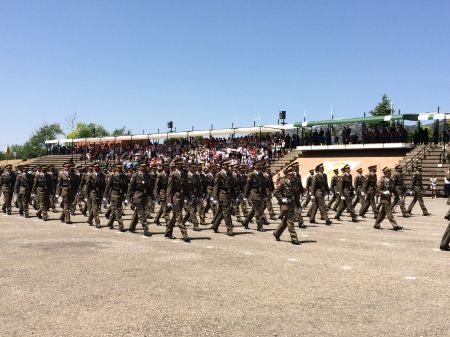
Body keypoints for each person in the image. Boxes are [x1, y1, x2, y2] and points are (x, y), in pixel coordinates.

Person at [273, 167, 300, 245]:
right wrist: (282, 199)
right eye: (290, 175)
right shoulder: (283, 182)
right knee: (290, 220)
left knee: (286, 221)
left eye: (292, 174)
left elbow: (296, 195)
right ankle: (294, 238)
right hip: (285, 204)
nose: (292, 176)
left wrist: (298, 205)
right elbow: (275, 192)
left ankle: (277, 233)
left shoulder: (294, 182)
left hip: (292, 204)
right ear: (287, 175)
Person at [166, 157, 191, 242]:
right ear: (176, 165)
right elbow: (169, 188)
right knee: (179, 216)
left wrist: (189, 197)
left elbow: (186, 186)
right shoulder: (173, 174)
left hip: (182, 196)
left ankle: (168, 232)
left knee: (175, 216)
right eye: (180, 164)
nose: (182, 165)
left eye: (182, 163)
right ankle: (185, 235)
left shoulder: (184, 173)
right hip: (175, 197)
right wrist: (169, 201)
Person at [211, 160, 237, 236]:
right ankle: (229, 229)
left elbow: (232, 186)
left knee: (223, 212)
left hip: (229, 195)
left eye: (228, 164)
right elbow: (216, 186)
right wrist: (214, 197)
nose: (227, 165)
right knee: (226, 212)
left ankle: (215, 226)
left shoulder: (229, 173)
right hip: (222, 195)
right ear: (222, 165)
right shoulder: (219, 174)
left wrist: (235, 196)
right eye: (226, 164)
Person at [127, 162, 152, 236]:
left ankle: (131, 227)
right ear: (139, 168)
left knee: (137, 213)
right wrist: (128, 198)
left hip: (144, 196)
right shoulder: (136, 175)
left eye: (145, 167)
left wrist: (151, 196)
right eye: (142, 167)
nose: (144, 168)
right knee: (142, 213)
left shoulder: (147, 175)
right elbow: (130, 187)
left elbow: (149, 187)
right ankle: (145, 229)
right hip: (137, 196)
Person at [242, 162, 267, 231]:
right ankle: (259, 226)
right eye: (258, 167)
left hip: (260, 194)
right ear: (255, 167)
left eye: (260, 167)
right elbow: (248, 186)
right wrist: (245, 196)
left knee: (254, 210)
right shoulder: (251, 175)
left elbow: (263, 186)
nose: (259, 168)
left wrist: (265, 195)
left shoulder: (261, 175)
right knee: (258, 211)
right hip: (254, 194)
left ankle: (245, 222)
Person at [104, 163, 128, 231]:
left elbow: (126, 186)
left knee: (115, 210)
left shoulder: (124, 176)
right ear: (116, 169)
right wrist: (105, 196)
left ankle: (110, 223)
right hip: (114, 194)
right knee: (118, 210)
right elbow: (108, 186)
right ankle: (121, 225)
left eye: (121, 168)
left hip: (121, 195)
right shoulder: (113, 176)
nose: (120, 169)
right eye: (118, 168)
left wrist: (127, 196)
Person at [85, 162, 106, 228]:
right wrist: (86, 195)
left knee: (95, 207)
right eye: (95, 167)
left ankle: (89, 219)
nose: (96, 168)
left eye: (97, 166)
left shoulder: (102, 175)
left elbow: (104, 185)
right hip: (93, 192)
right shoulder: (91, 175)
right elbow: (87, 186)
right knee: (95, 207)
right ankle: (97, 222)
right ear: (93, 168)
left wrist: (104, 194)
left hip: (100, 193)